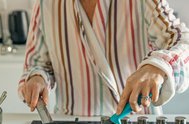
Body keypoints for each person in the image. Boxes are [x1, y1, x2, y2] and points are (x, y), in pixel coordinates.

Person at [18, 0, 189, 116]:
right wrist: (37, 78)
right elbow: (37, 63)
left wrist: (158, 66)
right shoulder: (44, 4)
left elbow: (183, 41)